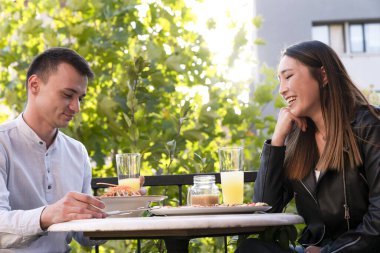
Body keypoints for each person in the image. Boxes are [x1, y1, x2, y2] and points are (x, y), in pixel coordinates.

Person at [236, 40, 380, 253]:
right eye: (279, 80)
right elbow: (264, 211)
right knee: (251, 249)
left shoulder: (369, 126)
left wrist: (328, 252)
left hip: (354, 250)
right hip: (312, 249)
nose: (282, 90)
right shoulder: (298, 138)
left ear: (323, 76)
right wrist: (277, 142)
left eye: (289, 76)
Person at [0, 48, 108, 252]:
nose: (76, 108)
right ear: (34, 85)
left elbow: (85, 236)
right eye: (68, 95)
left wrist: (122, 210)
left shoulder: (77, 152)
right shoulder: (2, 143)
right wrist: (49, 214)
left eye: (80, 98)